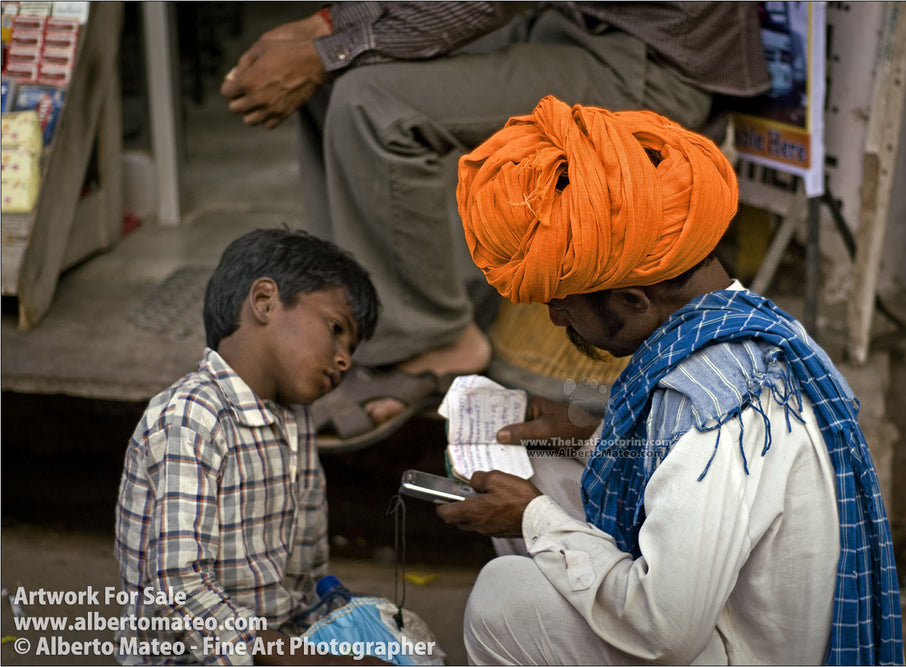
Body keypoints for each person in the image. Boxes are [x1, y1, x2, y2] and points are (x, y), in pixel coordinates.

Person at [435, 96, 905, 664]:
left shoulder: (719, 414)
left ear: (633, 300)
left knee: (502, 598)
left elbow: (667, 629)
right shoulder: (742, 323)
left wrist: (531, 518)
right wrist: (586, 426)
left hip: (733, 648)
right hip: (723, 614)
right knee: (531, 457)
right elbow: (667, 427)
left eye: (562, 304)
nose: (558, 320)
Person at [219, 2, 771, 447]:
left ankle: (435, 339)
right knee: (337, 79)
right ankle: (368, 302)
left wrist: (327, 42)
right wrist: (329, 28)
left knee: (372, 104)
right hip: (572, 21)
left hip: (657, 56)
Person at [113, 228, 382, 665]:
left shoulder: (296, 421)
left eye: (351, 348)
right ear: (264, 302)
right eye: (336, 330)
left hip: (275, 645)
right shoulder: (191, 417)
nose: (345, 360)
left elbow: (304, 578)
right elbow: (179, 590)